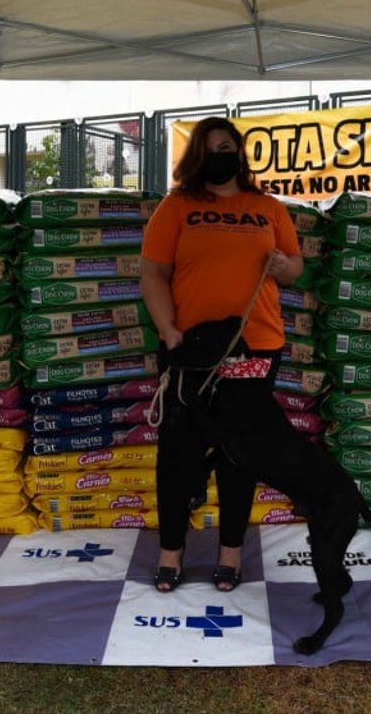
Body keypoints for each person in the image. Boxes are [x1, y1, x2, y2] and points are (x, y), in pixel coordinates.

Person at [140, 116, 303, 592]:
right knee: (178, 451)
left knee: (239, 453)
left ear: (240, 154)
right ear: (197, 157)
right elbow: (153, 274)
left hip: (258, 347)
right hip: (190, 352)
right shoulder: (176, 207)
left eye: (228, 146)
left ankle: (230, 550)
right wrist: (169, 332)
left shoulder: (268, 207)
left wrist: (283, 264)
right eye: (211, 148)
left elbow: (294, 267)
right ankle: (172, 549)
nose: (221, 155)